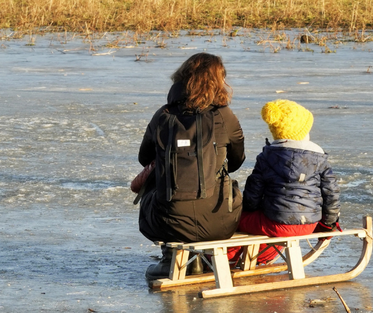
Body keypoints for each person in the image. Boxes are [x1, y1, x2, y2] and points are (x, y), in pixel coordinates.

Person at [137, 53, 245, 279]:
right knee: (224, 184)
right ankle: (200, 258)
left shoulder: (163, 116)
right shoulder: (225, 116)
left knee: (154, 182)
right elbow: (237, 161)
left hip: (168, 223)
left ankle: (170, 259)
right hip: (219, 223)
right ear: (219, 81)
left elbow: (144, 158)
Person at [229, 99, 340, 265]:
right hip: (310, 224)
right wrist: (329, 223)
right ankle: (262, 255)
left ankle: (228, 257)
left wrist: (248, 211)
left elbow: (254, 191)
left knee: (234, 222)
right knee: (271, 224)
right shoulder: (320, 159)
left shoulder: (267, 157)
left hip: (275, 223)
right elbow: (331, 193)